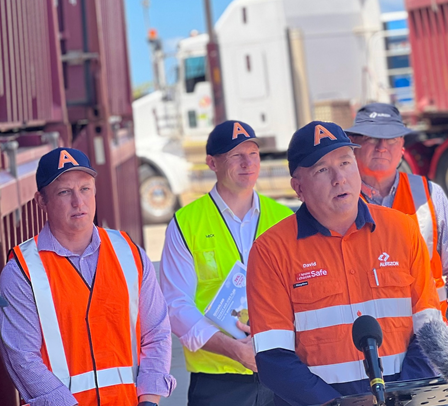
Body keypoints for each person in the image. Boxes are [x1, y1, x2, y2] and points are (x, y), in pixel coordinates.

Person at [247, 121, 442, 406]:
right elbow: (273, 358)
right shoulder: (270, 251)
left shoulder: (403, 229)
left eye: (345, 162)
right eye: (322, 170)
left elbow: (430, 329)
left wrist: (399, 397)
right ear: (298, 187)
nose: (339, 177)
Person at [0, 147, 175, 406]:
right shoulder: (21, 272)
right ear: (41, 200)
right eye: (64, 192)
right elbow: (23, 358)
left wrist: (149, 400)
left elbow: (157, 332)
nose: (78, 202)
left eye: (84, 189)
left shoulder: (130, 253)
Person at [159, 120, 294, 406]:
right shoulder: (187, 223)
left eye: (253, 153)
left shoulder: (284, 218)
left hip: (283, 372)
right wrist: (234, 349)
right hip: (217, 381)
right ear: (212, 163)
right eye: (235, 155)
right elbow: (175, 305)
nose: (247, 162)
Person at [346, 103, 448, 313]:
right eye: (371, 138)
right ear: (353, 145)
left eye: (391, 139)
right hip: (367, 338)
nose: (382, 147)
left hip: (430, 333)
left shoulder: (430, 194)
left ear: (402, 148)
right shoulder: (338, 199)